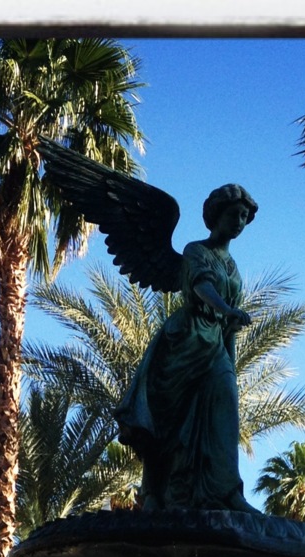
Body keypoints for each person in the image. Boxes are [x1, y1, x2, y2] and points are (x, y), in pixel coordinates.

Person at [115, 184, 260, 513]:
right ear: (216, 216)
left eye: (244, 217)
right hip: (185, 341)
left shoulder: (233, 266)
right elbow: (201, 285)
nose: (239, 221)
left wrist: (231, 349)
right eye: (234, 214)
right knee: (168, 422)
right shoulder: (196, 250)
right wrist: (225, 309)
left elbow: (229, 321)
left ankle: (227, 492)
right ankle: (155, 492)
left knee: (225, 411)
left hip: (216, 346)